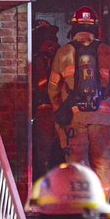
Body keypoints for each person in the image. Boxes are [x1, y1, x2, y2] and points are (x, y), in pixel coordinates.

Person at [48, 6, 110, 196]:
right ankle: (102, 205)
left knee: (77, 163)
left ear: (74, 28)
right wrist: (109, 94)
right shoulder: (106, 51)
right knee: (102, 162)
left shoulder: (63, 53)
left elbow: (52, 88)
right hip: (103, 119)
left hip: (75, 118)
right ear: (95, 28)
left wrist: (60, 110)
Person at [31, 18, 64, 180]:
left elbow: (40, 86)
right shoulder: (66, 54)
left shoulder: (39, 59)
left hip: (48, 110)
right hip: (64, 112)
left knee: (44, 154)